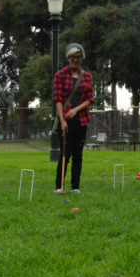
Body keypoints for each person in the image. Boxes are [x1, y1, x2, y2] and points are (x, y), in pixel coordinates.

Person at [53, 43, 95, 194]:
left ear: (81, 58)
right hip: (65, 122)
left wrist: (76, 109)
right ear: (68, 58)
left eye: (78, 57)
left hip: (82, 120)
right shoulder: (60, 75)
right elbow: (57, 99)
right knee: (65, 153)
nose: (75, 60)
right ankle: (59, 186)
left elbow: (90, 99)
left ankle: (75, 187)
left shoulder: (87, 76)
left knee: (78, 154)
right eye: (72, 58)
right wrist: (62, 120)